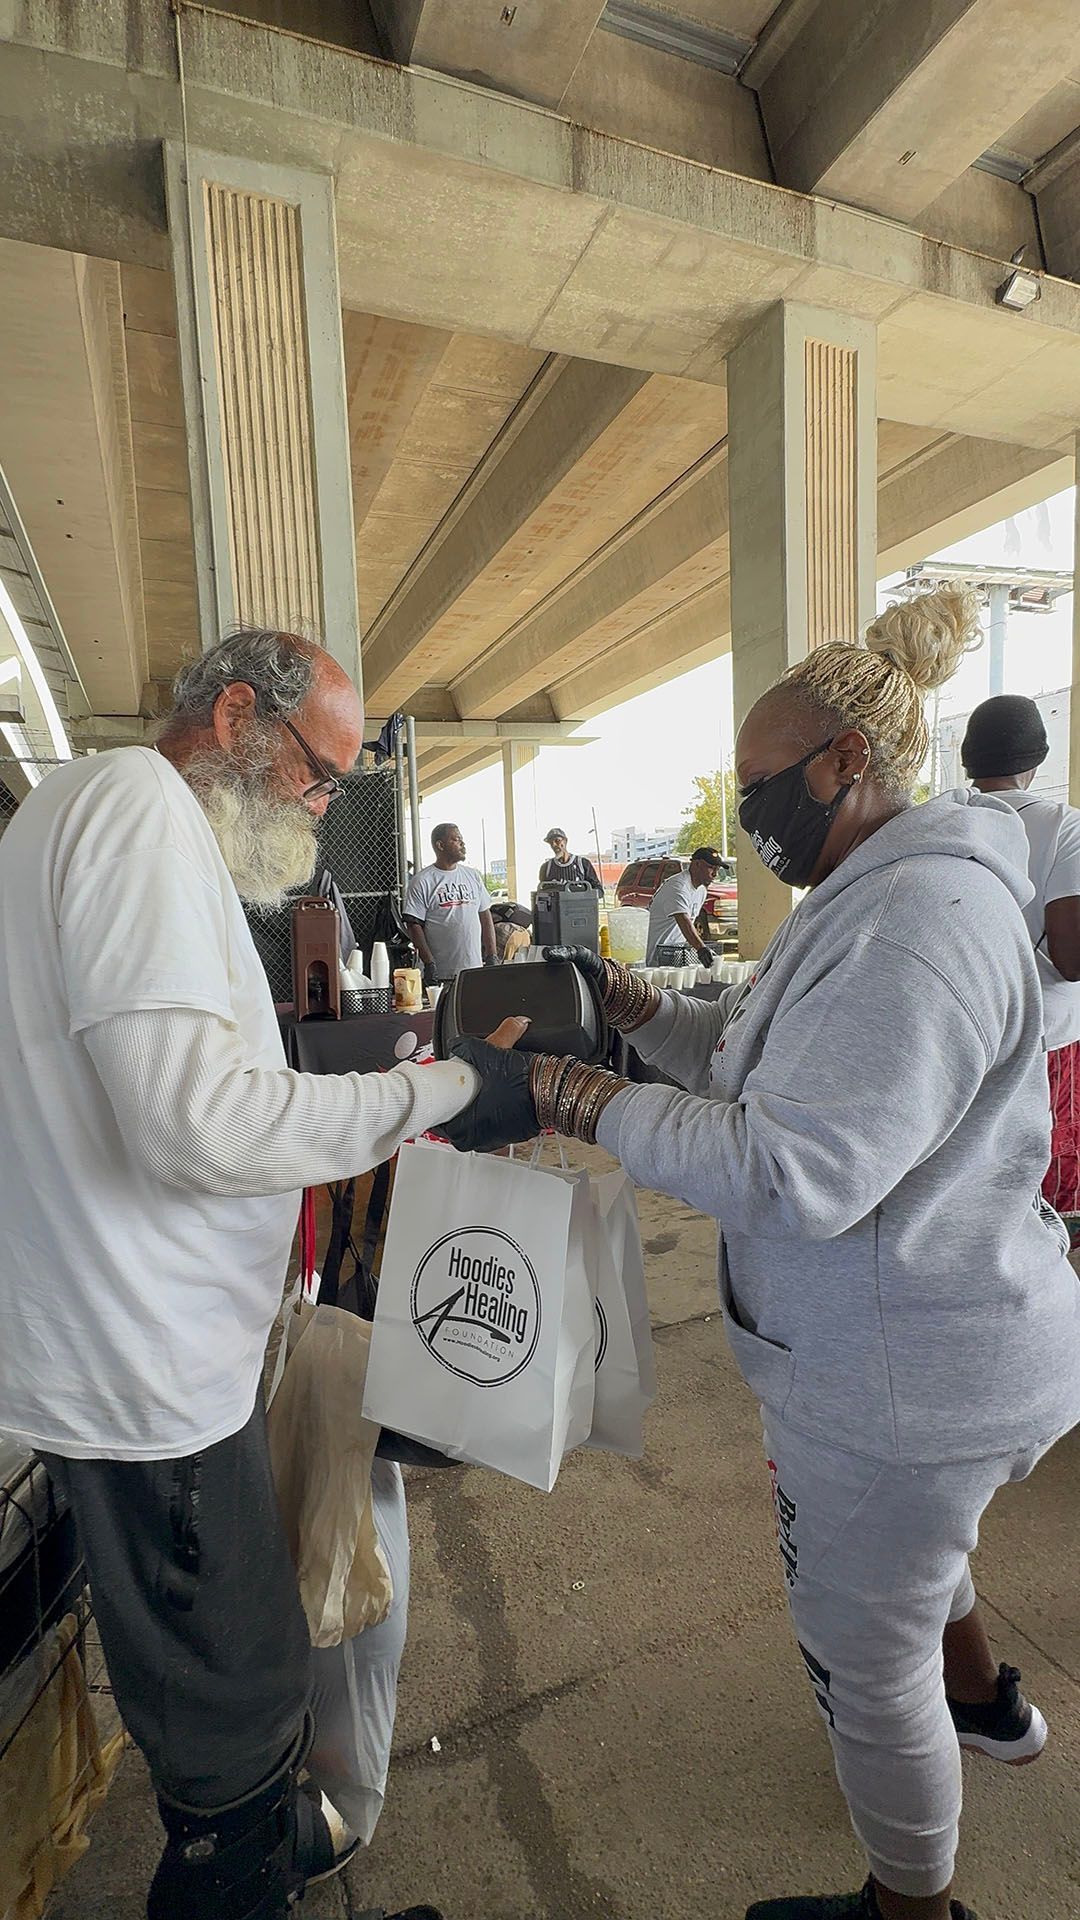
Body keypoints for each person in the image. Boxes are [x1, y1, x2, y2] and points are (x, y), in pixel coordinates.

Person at [443, 586, 1080, 1920]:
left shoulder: (919, 921)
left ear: (848, 760)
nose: (750, 816)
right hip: (927, 1351)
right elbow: (761, 1064)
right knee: (923, 1572)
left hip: (912, 1372)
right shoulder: (875, 888)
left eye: (761, 784)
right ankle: (991, 1704)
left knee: (864, 1660)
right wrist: (636, 1013)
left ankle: (912, 1905)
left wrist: (580, 1097)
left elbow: (795, 1171)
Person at [0, 628, 493, 1920]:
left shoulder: (103, 817)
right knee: (232, 1742)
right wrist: (429, 1087)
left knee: (246, 1680)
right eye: (320, 774)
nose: (322, 808)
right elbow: (196, 1124)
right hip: (147, 1382)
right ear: (235, 718)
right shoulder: (132, 814)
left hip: (148, 1355)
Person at [962, 693, 1080, 1239]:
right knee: (1048, 1194)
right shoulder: (1065, 826)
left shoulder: (948, 824)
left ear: (969, 761)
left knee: (981, 1188)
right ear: (1036, 760)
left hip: (969, 1038)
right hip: (1047, 1042)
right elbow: (1071, 958)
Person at [404, 822, 496, 981]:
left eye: (462, 839)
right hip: (442, 972)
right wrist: (429, 963)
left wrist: (491, 955)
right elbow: (413, 925)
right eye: (456, 839)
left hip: (473, 969)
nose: (462, 843)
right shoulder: (423, 880)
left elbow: (485, 916)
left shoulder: (472, 876)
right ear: (440, 845)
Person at [645, 845, 721, 965]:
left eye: (717, 869)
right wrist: (701, 948)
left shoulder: (701, 890)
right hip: (656, 957)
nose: (715, 874)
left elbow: (690, 923)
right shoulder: (677, 887)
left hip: (675, 954)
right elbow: (683, 920)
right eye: (711, 868)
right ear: (696, 865)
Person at [538, 827, 603, 892]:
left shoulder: (583, 864)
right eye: (551, 843)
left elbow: (599, 890)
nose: (554, 845)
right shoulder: (546, 868)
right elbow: (542, 893)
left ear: (565, 841)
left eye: (557, 841)